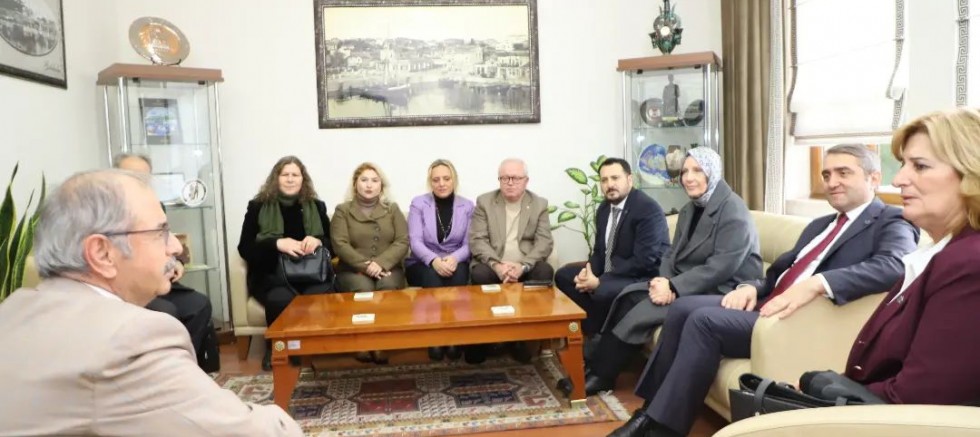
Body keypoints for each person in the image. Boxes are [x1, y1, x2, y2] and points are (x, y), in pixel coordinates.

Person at [609, 144, 919, 437]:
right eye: (826, 174)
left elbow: (894, 265)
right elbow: (777, 275)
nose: (832, 182)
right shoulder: (821, 224)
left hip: (798, 319)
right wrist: (751, 287)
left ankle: (663, 427)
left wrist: (818, 284)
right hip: (766, 303)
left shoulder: (891, 220)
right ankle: (649, 412)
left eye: (843, 173)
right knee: (680, 308)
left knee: (703, 321)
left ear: (874, 178)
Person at [0, 169, 302, 436]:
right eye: (161, 232)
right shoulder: (130, 339)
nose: (176, 246)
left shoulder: (13, 310)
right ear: (102, 253)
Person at [586, 147, 762, 396]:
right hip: (684, 283)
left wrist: (674, 287)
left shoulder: (733, 210)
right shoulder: (690, 209)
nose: (688, 178)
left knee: (642, 312)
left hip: (722, 290)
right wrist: (664, 281)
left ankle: (602, 375)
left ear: (712, 172)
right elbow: (671, 253)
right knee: (627, 296)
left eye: (697, 171)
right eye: (684, 172)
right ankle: (596, 365)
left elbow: (721, 267)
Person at [840, 108, 980, 404]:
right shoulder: (941, 254)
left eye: (920, 166)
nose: (899, 179)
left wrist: (829, 395)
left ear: (971, 174)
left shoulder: (970, 263)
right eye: (903, 164)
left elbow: (922, 397)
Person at [113, 153, 219, 373]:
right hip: (125, 288)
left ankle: (185, 368)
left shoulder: (155, 205)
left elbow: (167, 241)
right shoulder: (107, 211)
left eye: (144, 176)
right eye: (132, 175)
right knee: (166, 311)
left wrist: (176, 261)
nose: (140, 181)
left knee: (198, 304)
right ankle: (158, 372)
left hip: (156, 281)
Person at [555, 157, 671, 338]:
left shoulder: (647, 209)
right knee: (563, 276)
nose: (610, 185)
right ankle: (594, 329)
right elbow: (600, 252)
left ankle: (599, 336)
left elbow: (644, 261)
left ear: (629, 180)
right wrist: (587, 273)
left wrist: (600, 281)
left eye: (615, 178)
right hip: (614, 271)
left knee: (602, 290)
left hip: (642, 276)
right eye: (604, 180)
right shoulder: (603, 209)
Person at [238, 156, 332, 371]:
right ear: (276, 178)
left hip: (310, 274)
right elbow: (245, 248)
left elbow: (332, 245)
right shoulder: (258, 206)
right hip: (271, 274)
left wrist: (318, 241)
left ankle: (308, 348)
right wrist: (277, 243)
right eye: (285, 175)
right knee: (280, 298)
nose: (290, 179)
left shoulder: (317, 207)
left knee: (318, 294)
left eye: (295, 175)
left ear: (303, 179)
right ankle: (276, 348)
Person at [468, 158, 554, 363]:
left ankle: (521, 339)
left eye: (515, 178)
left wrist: (523, 266)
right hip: (494, 264)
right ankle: (484, 339)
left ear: (526, 181)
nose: (510, 182)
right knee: (479, 273)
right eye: (504, 178)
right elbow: (477, 240)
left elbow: (544, 242)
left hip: (524, 265)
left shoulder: (539, 204)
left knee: (544, 271)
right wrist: (497, 265)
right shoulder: (485, 202)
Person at [331, 162, 409, 364]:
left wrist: (381, 263)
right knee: (363, 290)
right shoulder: (342, 210)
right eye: (364, 180)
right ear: (355, 184)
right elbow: (339, 244)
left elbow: (402, 241)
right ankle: (362, 342)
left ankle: (383, 343)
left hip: (388, 269)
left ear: (381, 185)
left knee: (388, 287)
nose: (369, 185)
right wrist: (365, 266)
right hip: (353, 270)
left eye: (374, 180)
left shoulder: (392, 209)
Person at [405, 159, 475, 362]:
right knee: (432, 275)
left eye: (446, 178)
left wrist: (454, 258)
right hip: (423, 262)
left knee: (458, 274)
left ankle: (454, 336)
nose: (441, 183)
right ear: (430, 182)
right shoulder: (419, 203)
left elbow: (469, 244)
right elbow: (415, 241)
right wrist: (434, 260)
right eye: (436, 180)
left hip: (456, 259)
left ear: (454, 180)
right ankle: (434, 337)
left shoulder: (467, 206)